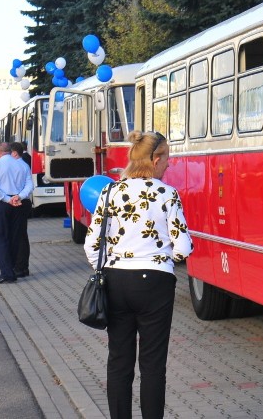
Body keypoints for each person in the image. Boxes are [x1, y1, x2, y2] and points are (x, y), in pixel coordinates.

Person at [85, 131, 193, 419]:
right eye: (167, 158)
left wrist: (109, 266)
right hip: (155, 283)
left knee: (119, 361)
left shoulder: (110, 192)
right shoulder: (167, 194)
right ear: (156, 159)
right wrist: (166, 258)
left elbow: (93, 244)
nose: (169, 164)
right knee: (153, 364)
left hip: (117, 280)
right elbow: (183, 247)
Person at [0, 142, 33, 284]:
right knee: (15, 238)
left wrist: (7, 199)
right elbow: (30, 185)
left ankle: (7, 273)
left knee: (1, 239)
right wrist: (19, 196)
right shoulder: (22, 164)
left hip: (1, 204)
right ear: (10, 151)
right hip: (19, 203)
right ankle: (12, 268)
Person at [11, 142, 32, 278]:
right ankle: (23, 267)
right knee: (23, 236)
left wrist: (17, 197)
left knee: (17, 237)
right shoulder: (24, 164)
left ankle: (19, 267)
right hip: (23, 201)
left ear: (14, 153)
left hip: (16, 202)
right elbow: (29, 185)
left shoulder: (16, 165)